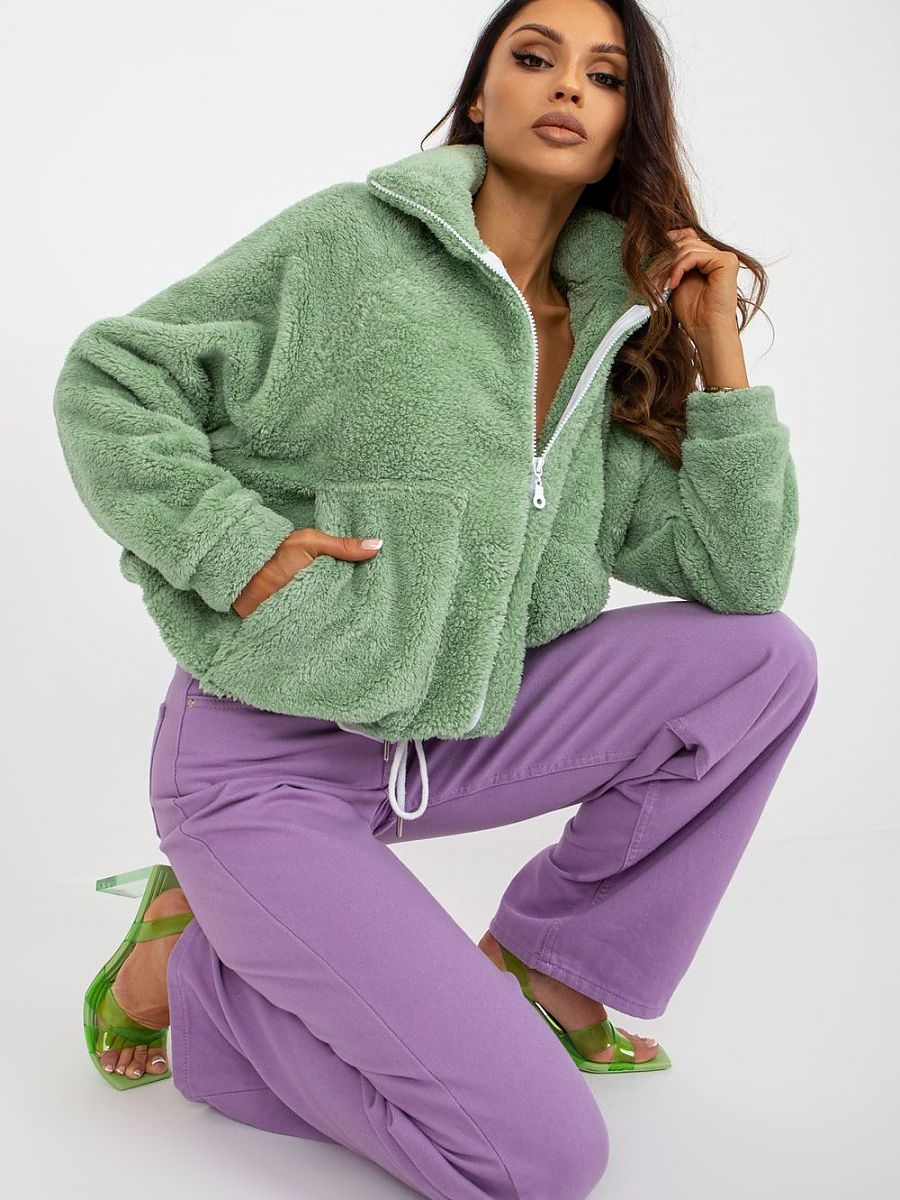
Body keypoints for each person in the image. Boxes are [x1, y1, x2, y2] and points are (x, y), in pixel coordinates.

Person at [56, 1, 818, 1197]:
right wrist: (236, 550)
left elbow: (742, 577)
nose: (566, 87)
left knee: (764, 659)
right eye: (535, 58)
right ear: (480, 95)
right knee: (544, 1158)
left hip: (452, 731)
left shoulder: (600, 325)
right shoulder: (350, 245)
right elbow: (113, 378)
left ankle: (549, 974)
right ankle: (200, 977)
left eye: (605, 76)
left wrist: (718, 349)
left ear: (625, 127)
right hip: (262, 763)